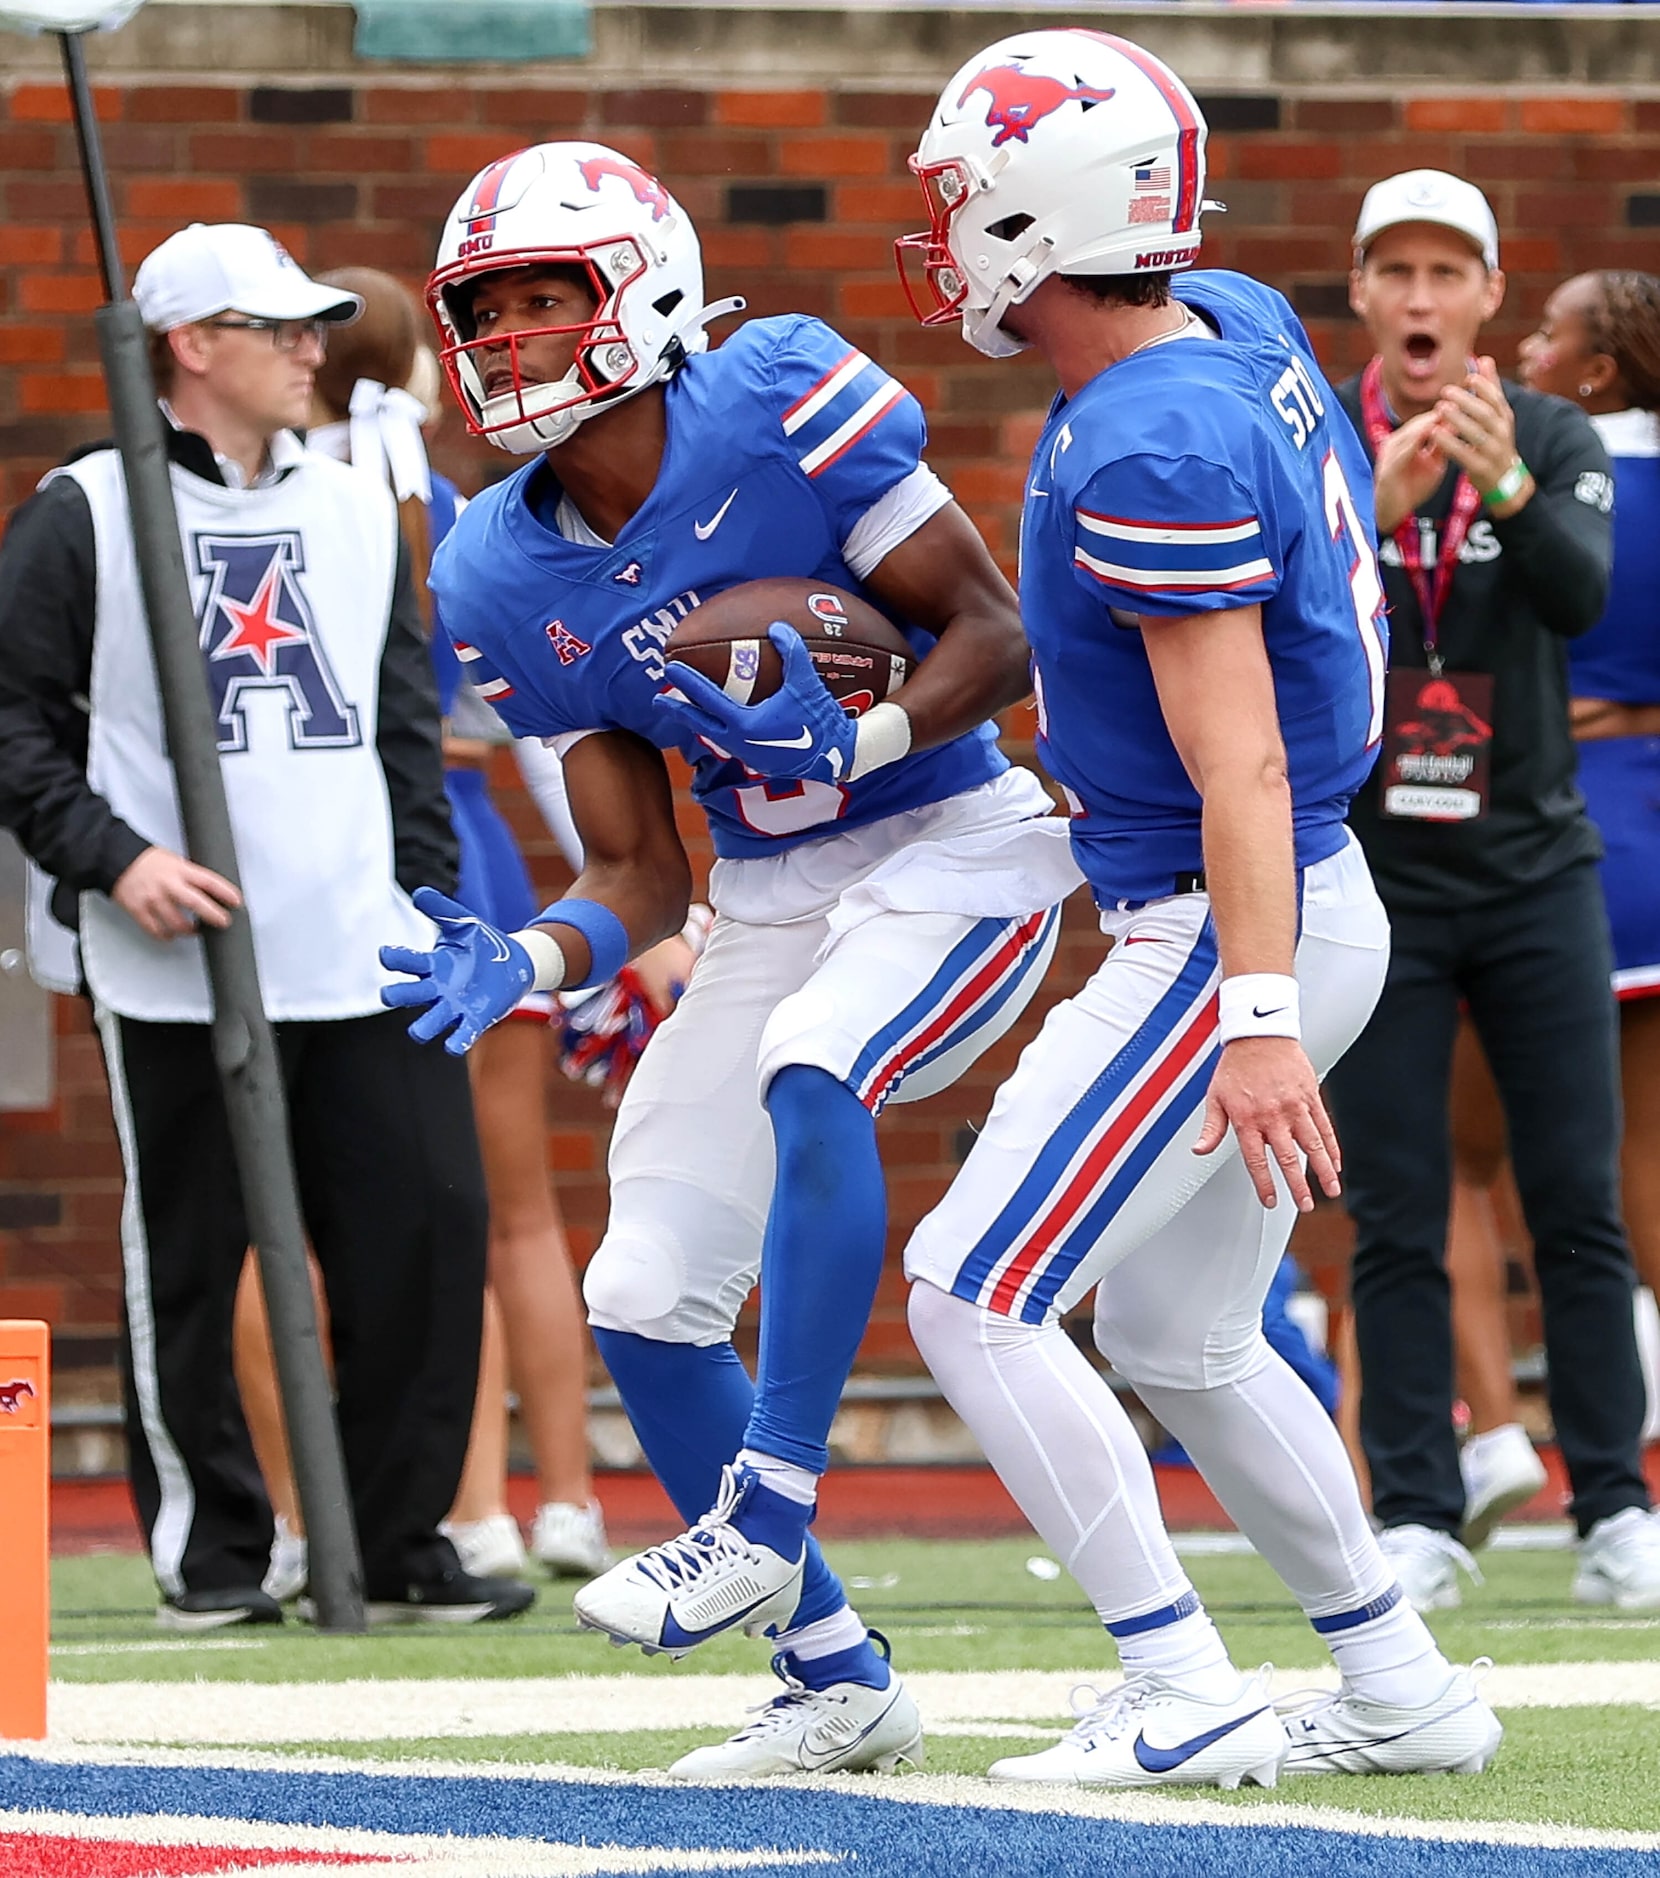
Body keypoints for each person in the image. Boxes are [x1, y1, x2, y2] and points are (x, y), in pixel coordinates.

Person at [380, 141, 1081, 1775]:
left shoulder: (778, 392)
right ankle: (837, 1672)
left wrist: (866, 735)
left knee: (812, 1060)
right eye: (485, 313)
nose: (508, 343)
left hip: (953, 846)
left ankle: (765, 1497)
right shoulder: (496, 566)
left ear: (645, 289)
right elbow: (633, 865)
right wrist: (537, 956)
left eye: (545, 302)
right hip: (769, 897)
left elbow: (998, 624)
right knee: (640, 1287)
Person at [885, 28, 1499, 1787]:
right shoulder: (1224, 310)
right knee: (1177, 1331)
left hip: (1242, 912)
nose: (942, 233)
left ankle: (1185, 1681)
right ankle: (1397, 1680)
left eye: (961, 200)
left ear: (1039, 215)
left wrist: (1250, 1011)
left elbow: (1237, 763)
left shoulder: (1154, 435)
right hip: (1302, 888)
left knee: (972, 1289)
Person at [0, 222, 531, 1629]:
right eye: (278, 327)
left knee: (426, 1227)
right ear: (189, 346)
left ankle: (396, 1540)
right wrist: (115, 862)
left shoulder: (362, 505)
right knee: (190, 1255)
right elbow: (14, 725)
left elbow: (401, 726)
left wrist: (429, 895)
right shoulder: (86, 511)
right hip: (177, 953)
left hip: (360, 940)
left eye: (315, 325)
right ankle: (217, 1551)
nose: (314, 348)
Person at [1324, 172, 1660, 1613]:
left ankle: (1617, 1503)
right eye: (1392, 271)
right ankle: (1416, 1506)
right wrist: (1376, 525)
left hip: (1537, 871)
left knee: (1576, 1202)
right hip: (1381, 882)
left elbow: (1580, 594)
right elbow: (1295, 633)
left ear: (1488, 297)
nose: (1418, 297)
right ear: (1359, 293)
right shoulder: (1323, 441)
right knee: (1397, 1206)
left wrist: (1503, 486)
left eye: (1444, 273)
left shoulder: (1555, 429)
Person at [1441, 270, 1660, 1557]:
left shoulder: (1522, 478)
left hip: (1546, 824)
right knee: (1636, 1178)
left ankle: (1493, 1437)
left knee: (1462, 1165)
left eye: (1550, 331)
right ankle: (1616, 1500)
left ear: (1596, 368)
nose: (1524, 346)